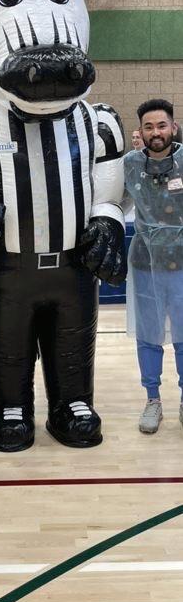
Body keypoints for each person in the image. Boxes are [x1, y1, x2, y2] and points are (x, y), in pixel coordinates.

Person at [124, 99, 183, 434]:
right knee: (149, 335)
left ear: (172, 127)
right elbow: (114, 202)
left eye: (161, 125)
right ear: (141, 131)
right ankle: (153, 400)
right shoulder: (130, 164)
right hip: (145, 264)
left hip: (182, 264)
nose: (155, 132)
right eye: (149, 127)